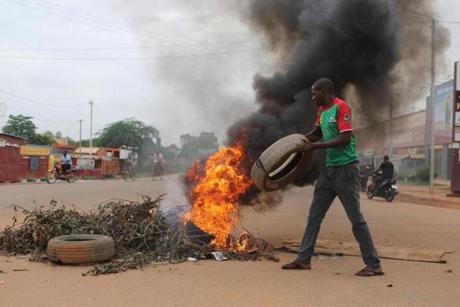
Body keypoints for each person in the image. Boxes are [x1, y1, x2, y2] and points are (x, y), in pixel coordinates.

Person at [282, 78, 383, 276]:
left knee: (356, 220)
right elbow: (317, 133)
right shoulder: (322, 111)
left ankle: (373, 264)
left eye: (315, 93)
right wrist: (299, 140)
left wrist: (315, 146)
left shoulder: (341, 108)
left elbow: (344, 138)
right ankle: (303, 259)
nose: (312, 97)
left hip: (346, 171)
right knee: (314, 217)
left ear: (326, 92)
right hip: (328, 172)